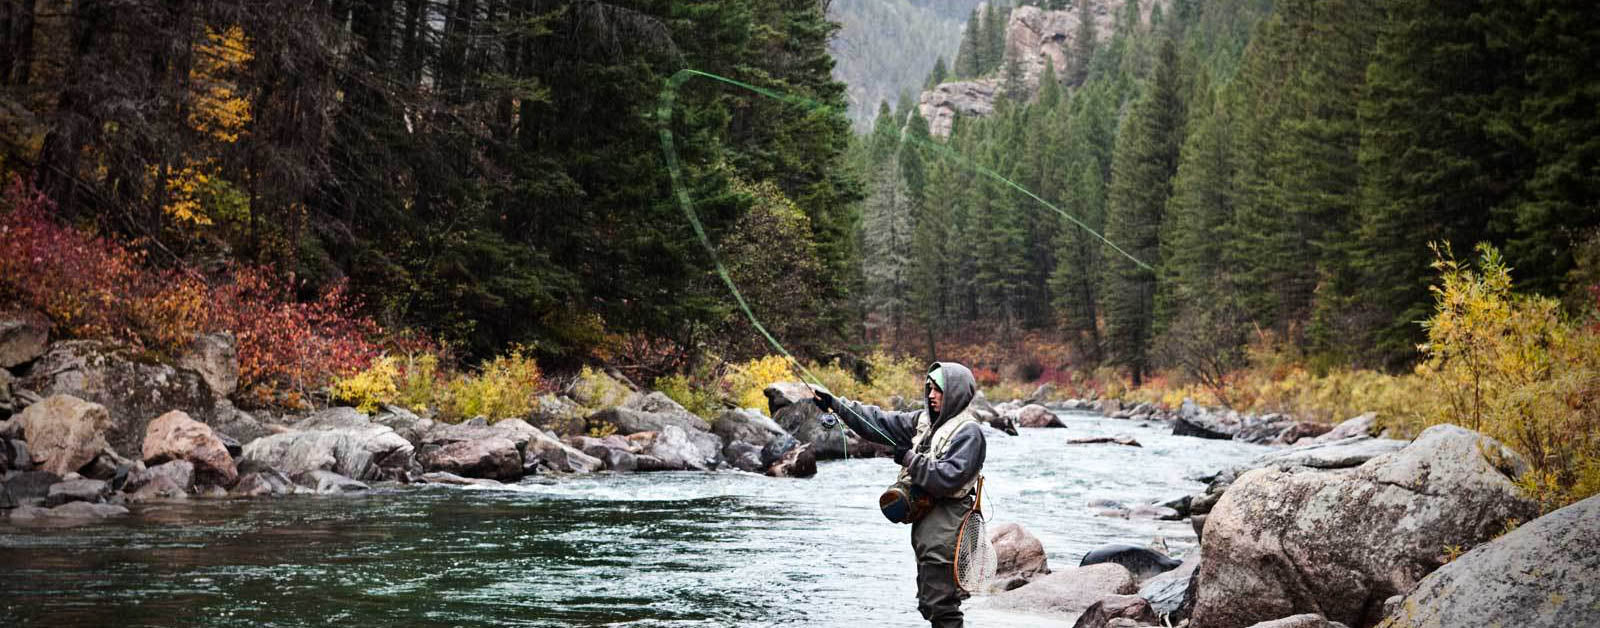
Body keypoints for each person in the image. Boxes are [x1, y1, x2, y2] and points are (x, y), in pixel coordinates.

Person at [812, 361, 986, 628]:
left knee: (942, 606)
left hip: (950, 528)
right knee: (931, 604)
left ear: (956, 392)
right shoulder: (924, 422)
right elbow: (878, 422)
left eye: (938, 389)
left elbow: (947, 478)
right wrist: (837, 405)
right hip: (931, 528)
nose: (931, 395)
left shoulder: (969, 433)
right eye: (929, 388)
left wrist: (909, 459)